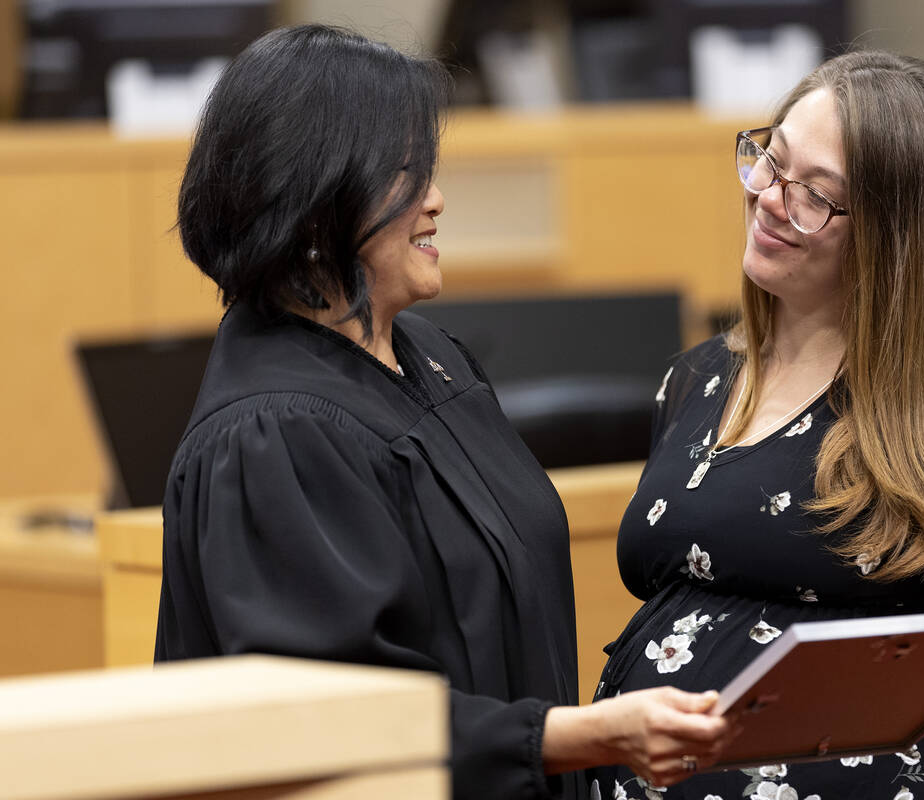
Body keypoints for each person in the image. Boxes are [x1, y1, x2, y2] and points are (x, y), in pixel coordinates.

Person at [153, 24, 733, 800]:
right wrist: (570, 737)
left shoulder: (430, 353)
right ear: (314, 197)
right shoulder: (274, 433)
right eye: (404, 175)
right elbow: (334, 720)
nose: (436, 200)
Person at [587, 50, 924, 800]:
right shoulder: (697, 378)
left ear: (900, 242)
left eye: (814, 196)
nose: (767, 198)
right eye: (769, 161)